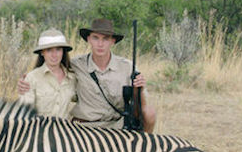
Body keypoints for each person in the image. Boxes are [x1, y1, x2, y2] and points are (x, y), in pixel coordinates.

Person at [19, 18, 156, 132]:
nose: (100, 44)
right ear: (88, 40)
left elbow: (140, 105)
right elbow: (51, 67)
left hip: (117, 125)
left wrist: (140, 88)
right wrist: (26, 80)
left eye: (105, 39)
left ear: (113, 41)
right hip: (86, 128)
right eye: (96, 38)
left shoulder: (127, 67)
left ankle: (145, 148)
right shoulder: (76, 65)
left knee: (149, 114)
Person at [19, 28, 77, 118]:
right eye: (49, 50)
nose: (54, 55)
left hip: (66, 130)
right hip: (40, 130)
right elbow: (25, 114)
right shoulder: (31, 78)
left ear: (63, 51)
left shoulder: (73, 78)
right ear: (42, 52)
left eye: (58, 49)